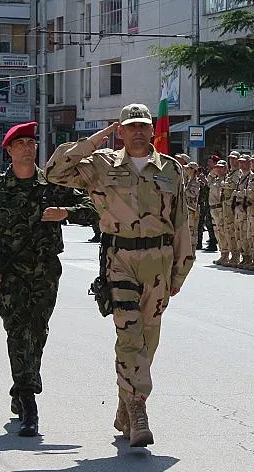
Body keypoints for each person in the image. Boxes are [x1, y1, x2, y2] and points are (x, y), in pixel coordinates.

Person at [45, 103, 195, 446]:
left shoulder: (170, 169)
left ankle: (124, 404)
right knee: (130, 336)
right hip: (120, 259)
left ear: (151, 129)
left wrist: (181, 270)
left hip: (159, 261)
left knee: (148, 340)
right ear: (121, 131)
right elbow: (54, 171)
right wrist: (95, 140)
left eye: (143, 126)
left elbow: (181, 222)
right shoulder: (101, 165)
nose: (138, 131)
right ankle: (138, 407)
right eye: (131, 126)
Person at [0, 121, 96, 436]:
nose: (27, 148)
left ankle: (22, 386)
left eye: (31, 143)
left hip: (46, 271)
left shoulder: (53, 184)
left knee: (38, 331)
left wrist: (66, 213)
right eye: (20, 144)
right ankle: (27, 398)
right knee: (18, 331)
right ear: (8, 150)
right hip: (11, 274)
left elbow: (93, 208)